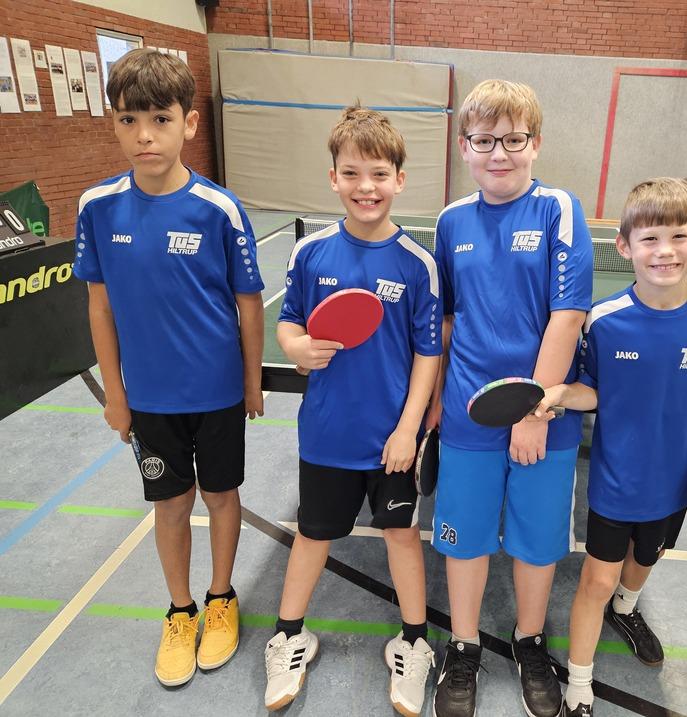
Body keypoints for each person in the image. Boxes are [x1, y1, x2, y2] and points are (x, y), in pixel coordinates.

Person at [73, 48, 264, 687]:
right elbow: (99, 306)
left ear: (188, 123)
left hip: (214, 393)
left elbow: (247, 302)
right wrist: (115, 394)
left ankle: (220, 598)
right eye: (129, 121)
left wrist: (250, 380)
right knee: (171, 501)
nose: (144, 135)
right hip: (148, 399)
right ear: (114, 124)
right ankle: (181, 609)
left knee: (221, 493)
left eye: (160, 118)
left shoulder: (219, 209)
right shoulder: (97, 207)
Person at [534, 178, 687, 716]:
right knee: (596, 579)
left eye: (677, 236)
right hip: (616, 482)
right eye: (649, 238)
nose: (664, 250)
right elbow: (592, 391)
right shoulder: (604, 320)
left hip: (675, 484)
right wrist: (557, 393)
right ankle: (580, 682)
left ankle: (627, 607)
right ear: (624, 246)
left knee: (646, 559)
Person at [262, 106, 441, 716]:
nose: (367, 186)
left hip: (389, 438)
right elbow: (287, 325)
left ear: (400, 180)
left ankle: (414, 643)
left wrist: (408, 430)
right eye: (353, 173)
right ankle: (289, 635)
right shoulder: (311, 255)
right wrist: (294, 347)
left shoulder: (417, 264)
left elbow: (427, 354)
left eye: (380, 173)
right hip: (328, 433)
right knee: (313, 534)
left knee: (401, 535)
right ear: (333, 178)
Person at [428, 79, 593, 717]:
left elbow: (567, 314)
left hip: (540, 415)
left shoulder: (558, 209)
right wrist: (439, 397)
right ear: (464, 147)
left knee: (535, 538)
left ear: (535, 144)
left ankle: (528, 642)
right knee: (463, 537)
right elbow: (445, 320)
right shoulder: (450, 220)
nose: (500, 153)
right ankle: (464, 645)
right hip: (469, 410)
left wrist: (535, 410)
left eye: (514, 140)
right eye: (485, 141)